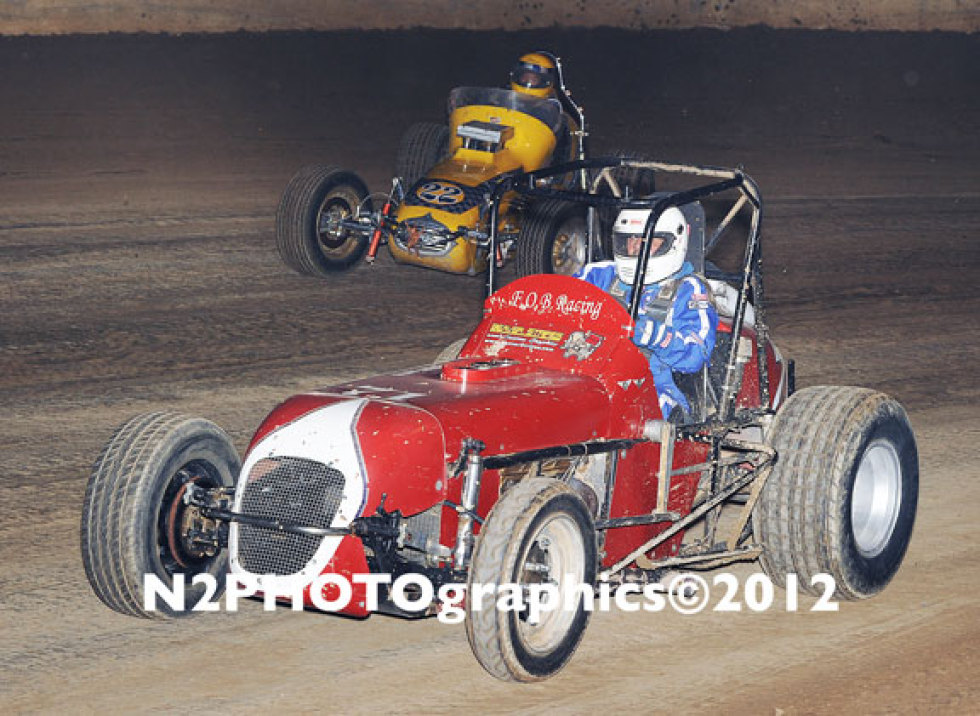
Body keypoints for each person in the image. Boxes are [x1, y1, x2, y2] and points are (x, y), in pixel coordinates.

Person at [576, 206, 718, 421]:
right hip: (585, 370)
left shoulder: (689, 290)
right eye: (630, 240)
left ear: (673, 243)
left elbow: (696, 355)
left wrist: (657, 336)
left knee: (629, 411)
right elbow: (556, 301)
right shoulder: (598, 274)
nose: (636, 248)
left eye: (648, 241)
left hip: (654, 386)